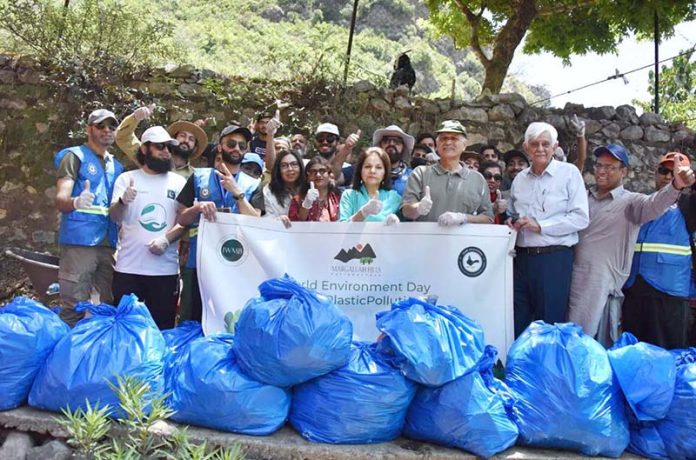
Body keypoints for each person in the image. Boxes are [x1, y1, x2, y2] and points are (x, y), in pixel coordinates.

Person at [566, 146, 694, 346]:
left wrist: (676, 186)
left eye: (610, 167)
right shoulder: (582, 198)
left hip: (660, 292)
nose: (601, 171)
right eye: (599, 165)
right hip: (594, 285)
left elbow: (654, 204)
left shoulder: (632, 202)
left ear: (623, 171)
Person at [508, 122, 589, 337]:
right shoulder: (519, 179)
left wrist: (541, 226)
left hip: (553, 259)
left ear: (555, 147)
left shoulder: (569, 173)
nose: (540, 149)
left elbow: (581, 218)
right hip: (521, 260)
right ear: (527, 147)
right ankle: (518, 369)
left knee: (549, 324)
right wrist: (511, 222)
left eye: (546, 144)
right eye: (535, 144)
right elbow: (512, 212)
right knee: (517, 320)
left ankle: (547, 370)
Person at [176, 124, 261, 322]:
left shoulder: (253, 184)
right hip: (199, 261)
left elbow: (256, 222)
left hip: (236, 262)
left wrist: (237, 193)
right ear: (221, 146)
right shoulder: (198, 177)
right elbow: (181, 218)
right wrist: (197, 209)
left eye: (242, 145)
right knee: (190, 317)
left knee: (229, 319)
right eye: (231, 144)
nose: (236, 149)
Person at [109, 127, 187, 329]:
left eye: (169, 147)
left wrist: (166, 240)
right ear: (144, 149)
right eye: (160, 146)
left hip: (164, 271)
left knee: (162, 329)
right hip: (128, 269)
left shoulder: (179, 182)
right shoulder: (126, 179)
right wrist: (123, 201)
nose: (166, 152)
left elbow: (185, 221)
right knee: (124, 328)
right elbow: (115, 216)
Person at [54, 109, 124, 326]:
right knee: (73, 306)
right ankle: (63, 357)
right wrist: (75, 202)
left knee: (106, 307)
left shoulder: (117, 165)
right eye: (100, 126)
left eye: (111, 127)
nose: (106, 130)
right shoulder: (74, 156)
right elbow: (60, 198)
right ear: (88, 129)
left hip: (108, 244)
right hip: (80, 243)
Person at [621, 152, 696, 349]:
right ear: (655, 173)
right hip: (634, 289)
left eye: (675, 172)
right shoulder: (645, 202)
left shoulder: (689, 205)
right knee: (632, 351)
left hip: (669, 293)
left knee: (666, 353)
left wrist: (690, 183)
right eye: (664, 171)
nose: (669, 176)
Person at [401, 120, 493, 225]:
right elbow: (406, 211)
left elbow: (488, 218)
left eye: (454, 138)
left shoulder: (478, 179)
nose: (448, 142)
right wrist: (418, 209)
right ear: (437, 144)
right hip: (424, 239)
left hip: (463, 240)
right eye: (443, 138)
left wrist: (464, 217)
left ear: (464, 145)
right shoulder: (421, 173)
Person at [114, 105, 208, 179]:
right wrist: (135, 118)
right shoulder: (152, 157)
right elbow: (123, 138)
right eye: (182, 136)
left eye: (191, 139)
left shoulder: (196, 177)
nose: (186, 141)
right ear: (172, 139)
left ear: (195, 148)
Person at [339, 147, 401, 223]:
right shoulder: (349, 195)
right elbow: (341, 228)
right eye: (367, 166)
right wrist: (363, 213)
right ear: (360, 170)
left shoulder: (395, 198)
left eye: (378, 167)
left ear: (385, 172)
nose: (372, 171)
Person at [251, 149, 305, 220]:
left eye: (294, 164)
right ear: (278, 170)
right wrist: (275, 221)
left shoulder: (308, 189)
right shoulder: (266, 192)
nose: (290, 169)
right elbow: (257, 221)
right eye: (284, 166)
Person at [288, 156, 341, 222]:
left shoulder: (338, 198)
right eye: (313, 172)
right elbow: (295, 223)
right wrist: (306, 204)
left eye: (322, 171)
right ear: (307, 177)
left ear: (329, 175)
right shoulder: (297, 200)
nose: (318, 175)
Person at [373, 125, 415, 196]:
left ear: (403, 147)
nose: (391, 144)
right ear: (380, 145)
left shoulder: (412, 176)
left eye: (397, 141)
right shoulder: (370, 171)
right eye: (386, 140)